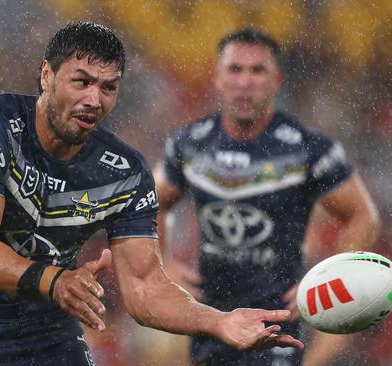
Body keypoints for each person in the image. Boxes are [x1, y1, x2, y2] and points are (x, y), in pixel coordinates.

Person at [0, 22, 303, 366]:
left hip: (43, 337)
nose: (93, 100)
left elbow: (144, 286)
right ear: (46, 75)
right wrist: (55, 280)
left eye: (108, 87)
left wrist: (219, 323)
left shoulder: (125, 172)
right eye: (81, 81)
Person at [154, 28, 380, 366]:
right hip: (210, 319)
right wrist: (162, 262)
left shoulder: (307, 148)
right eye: (235, 69)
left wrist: (329, 277)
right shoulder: (189, 144)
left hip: (278, 321)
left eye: (257, 71)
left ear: (276, 80)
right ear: (217, 78)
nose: (245, 82)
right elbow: (148, 205)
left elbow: (363, 216)